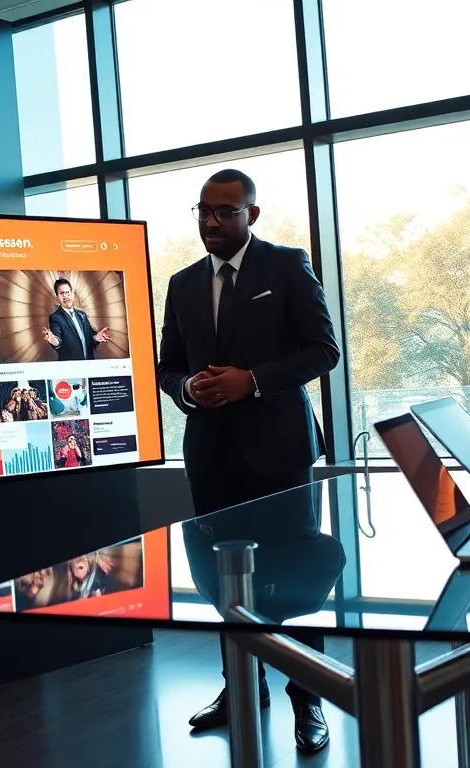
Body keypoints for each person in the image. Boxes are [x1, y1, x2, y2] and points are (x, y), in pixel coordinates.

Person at [156, 168, 340, 753]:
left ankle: (307, 695)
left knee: (294, 582)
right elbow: (168, 367)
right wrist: (188, 390)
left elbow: (323, 350)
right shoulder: (182, 283)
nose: (211, 221)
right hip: (210, 456)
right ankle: (243, 685)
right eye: (204, 211)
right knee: (220, 581)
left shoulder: (286, 266)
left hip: (280, 454)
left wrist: (252, 381)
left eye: (225, 212)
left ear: (251, 215)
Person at [43, 277, 110, 360]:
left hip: (88, 365)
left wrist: (97, 337)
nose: (65, 296)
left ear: (72, 293)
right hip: (70, 367)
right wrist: (54, 341)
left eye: (67, 292)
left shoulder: (82, 315)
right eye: (62, 293)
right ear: (57, 296)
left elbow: (90, 339)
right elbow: (58, 340)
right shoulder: (55, 317)